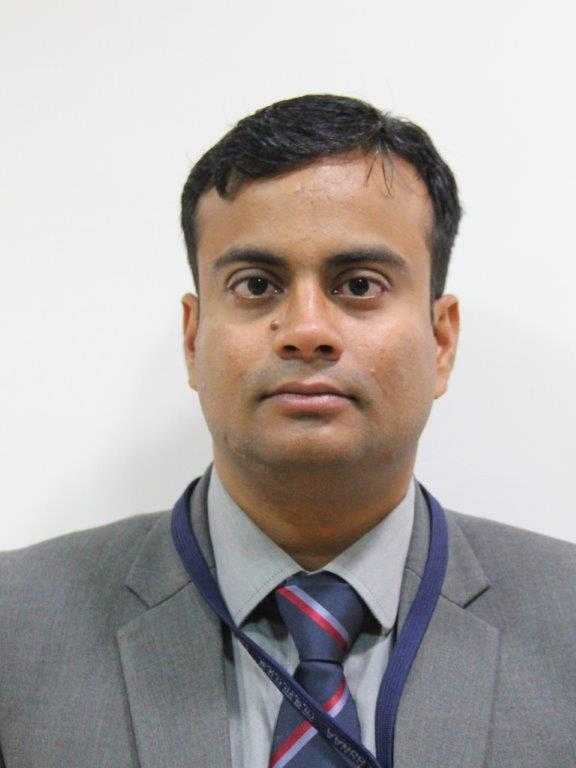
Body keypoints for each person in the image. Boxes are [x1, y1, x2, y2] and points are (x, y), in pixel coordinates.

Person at [1, 94, 575, 768]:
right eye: (256, 285)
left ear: (441, 341)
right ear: (193, 339)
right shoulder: (16, 624)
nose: (306, 330)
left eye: (359, 285)